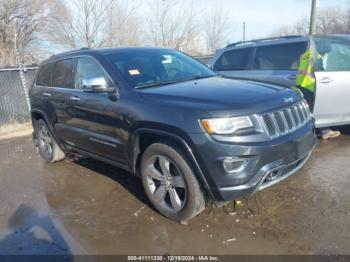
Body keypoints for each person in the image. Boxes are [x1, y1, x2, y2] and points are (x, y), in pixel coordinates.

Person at [295, 43, 340, 140]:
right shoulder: (317, 57)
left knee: (306, 110)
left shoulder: (305, 55)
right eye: (327, 51)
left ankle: (316, 131)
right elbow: (322, 71)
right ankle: (325, 131)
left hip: (301, 84)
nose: (326, 53)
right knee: (318, 109)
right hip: (311, 86)